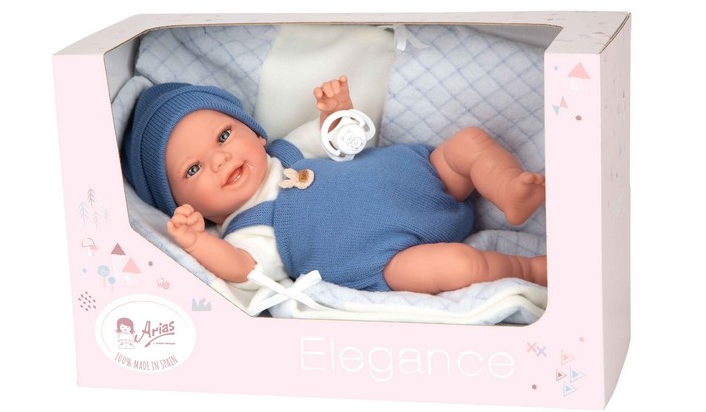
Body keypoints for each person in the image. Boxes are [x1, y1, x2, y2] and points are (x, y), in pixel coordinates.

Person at [122, 76, 546, 294]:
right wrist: (199, 244)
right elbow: (243, 270)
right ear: (184, 205)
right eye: (193, 170)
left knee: (468, 145)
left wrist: (337, 111)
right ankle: (527, 271)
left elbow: (340, 137)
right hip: (392, 257)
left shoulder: (288, 152)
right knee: (461, 266)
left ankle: (510, 190)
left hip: (425, 178)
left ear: (256, 133)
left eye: (224, 135)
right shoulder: (248, 230)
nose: (219, 159)